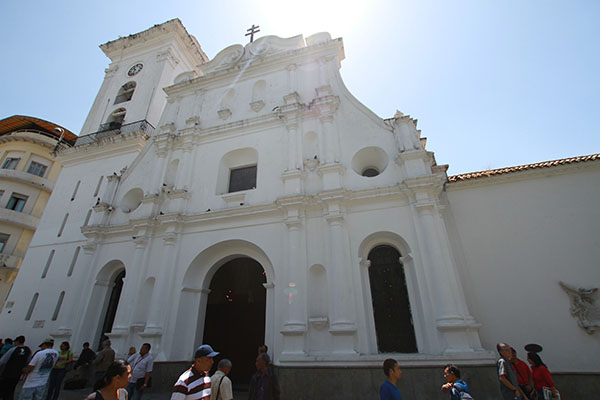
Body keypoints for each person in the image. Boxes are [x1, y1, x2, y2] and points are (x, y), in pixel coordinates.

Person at [0, 335, 32, 400]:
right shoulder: (28, 350)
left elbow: (2, 361)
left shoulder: (13, 349)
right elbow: (28, 362)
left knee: (2, 389)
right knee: (11, 390)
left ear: (17, 342)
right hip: (17, 374)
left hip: (7, 373)